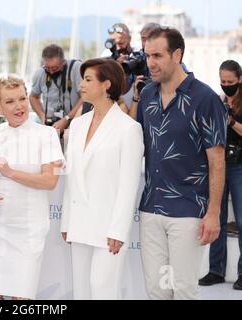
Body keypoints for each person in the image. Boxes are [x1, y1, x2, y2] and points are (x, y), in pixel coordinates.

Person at [137, 27, 227, 299]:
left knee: (184, 290)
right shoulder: (146, 96)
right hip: (151, 208)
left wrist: (213, 214)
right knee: (158, 290)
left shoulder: (205, 98)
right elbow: (138, 147)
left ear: (177, 55)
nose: (150, 62)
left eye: (157, 55)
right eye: (147, 55)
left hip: (189, 211)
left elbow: (217, 161)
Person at [60, 58, 144, 299]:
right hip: (79, 222)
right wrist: (66, 221)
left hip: (109, 227)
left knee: (103, 289)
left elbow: (129, 186)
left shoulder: (128, 129)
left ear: (107, 84)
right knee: (82, 291)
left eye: (87, 80)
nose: (80, 85)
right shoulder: (78, 125)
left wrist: (118, 231)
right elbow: (72, 177)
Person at [0, 76, 64, 300]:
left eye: (22, 99)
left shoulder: (47, 135)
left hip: (28, 231)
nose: (19, 106)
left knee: (21, 298)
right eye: (10, 101)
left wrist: (11, 173)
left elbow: (50, 181)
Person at [199, 60, 242, 290]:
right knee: (217, 217)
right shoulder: (217, 100)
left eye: (230, 82)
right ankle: (216, 269)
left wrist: (231, 120)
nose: (226, 85)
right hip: (218, 164)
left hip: (239, 166)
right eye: (223, 81)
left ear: (240, 79)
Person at [29, 44, 83, 131]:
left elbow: (85, 97)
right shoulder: (40, 73)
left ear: (63, 62)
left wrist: (67, 119)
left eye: (54, 68)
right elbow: (33, 97)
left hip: (75, 123)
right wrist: (42, 116)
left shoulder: (76, 67)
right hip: (51, 125)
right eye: (47, 68)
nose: (51, 72)